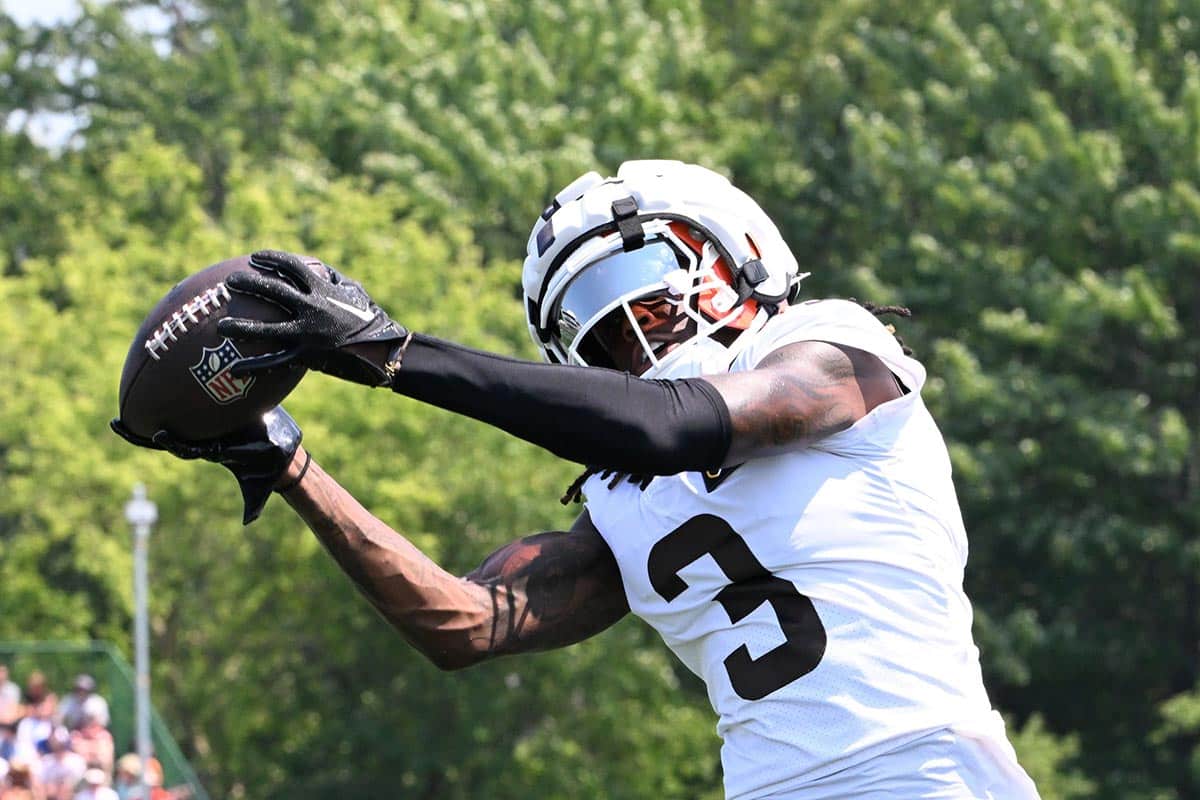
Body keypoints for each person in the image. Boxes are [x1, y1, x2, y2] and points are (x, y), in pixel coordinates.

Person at [112, 160, 1040, 798]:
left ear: (737, 256)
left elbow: (673, 425)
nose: (629, 332)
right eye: (591, 325)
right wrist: (290, 464)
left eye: (644, 284)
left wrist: (394, 356)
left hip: (928, 772)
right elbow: (464, 623)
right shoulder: (624, 497)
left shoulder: (832, 353)